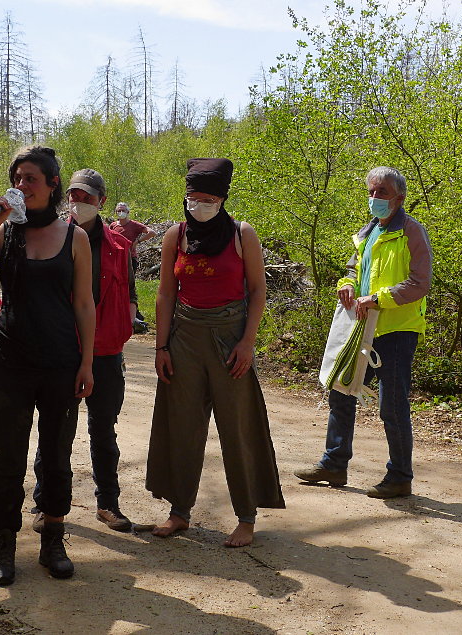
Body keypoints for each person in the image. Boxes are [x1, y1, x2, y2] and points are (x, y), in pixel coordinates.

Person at [0, 146, 95, 586]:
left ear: (53, 184)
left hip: (60, 362)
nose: (22, 186)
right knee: (8, 456)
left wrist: (88, 363)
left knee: (56, 456)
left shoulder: (74, 237)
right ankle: (3, 544)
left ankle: (52, 539)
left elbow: (83, 303)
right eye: (17, 178)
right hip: (10, 361)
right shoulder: (5, 234)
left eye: (31, 179)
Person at [146, 158, 284, 547]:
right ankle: (179, 512)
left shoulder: (243, 234)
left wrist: (247, 343)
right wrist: (161, 346)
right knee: (181, 425)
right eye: (194, 198)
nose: (200, 205)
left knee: (239, 427)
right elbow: (165, 293)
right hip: (184, 337)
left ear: (222, 199)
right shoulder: (177, 234)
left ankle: (246, 516)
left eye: (208, 198)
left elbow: (257, 291)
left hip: (229, 338)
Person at [294, 166, 432, 499]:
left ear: (399, 198)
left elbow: (420, 283)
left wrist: (377, 299)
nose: (374, 198)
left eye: (381, 193)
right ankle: (334, 465)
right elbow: (354, 268)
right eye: (371, 192)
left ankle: (400, 476)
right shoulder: (368, 231)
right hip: (361, 328)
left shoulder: (412, 232)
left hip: (397, 331)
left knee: (392, 406)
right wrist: (346, 285)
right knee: (341, 392)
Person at [31, 168, 137, 534]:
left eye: (87, 197)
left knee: (103, 431)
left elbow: (131, 296)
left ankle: (108, 503)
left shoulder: (121, 247)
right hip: (63, 349)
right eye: (74, 195)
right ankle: (45, 501)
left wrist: (123, 331)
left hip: (107, 352)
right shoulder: (52, 238)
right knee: (56, 429)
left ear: (101, 201)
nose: (79, 202)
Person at [109, 202, 156, 274]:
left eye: (123, 210)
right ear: (116, 212)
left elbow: (152, 233)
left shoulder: (134, 225)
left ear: (127, 212)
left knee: (129, 282)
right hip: (116, 258)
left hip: (130, 257)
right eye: (119, 211)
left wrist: (138, 241)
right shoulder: (113, 225)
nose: (121, 212)